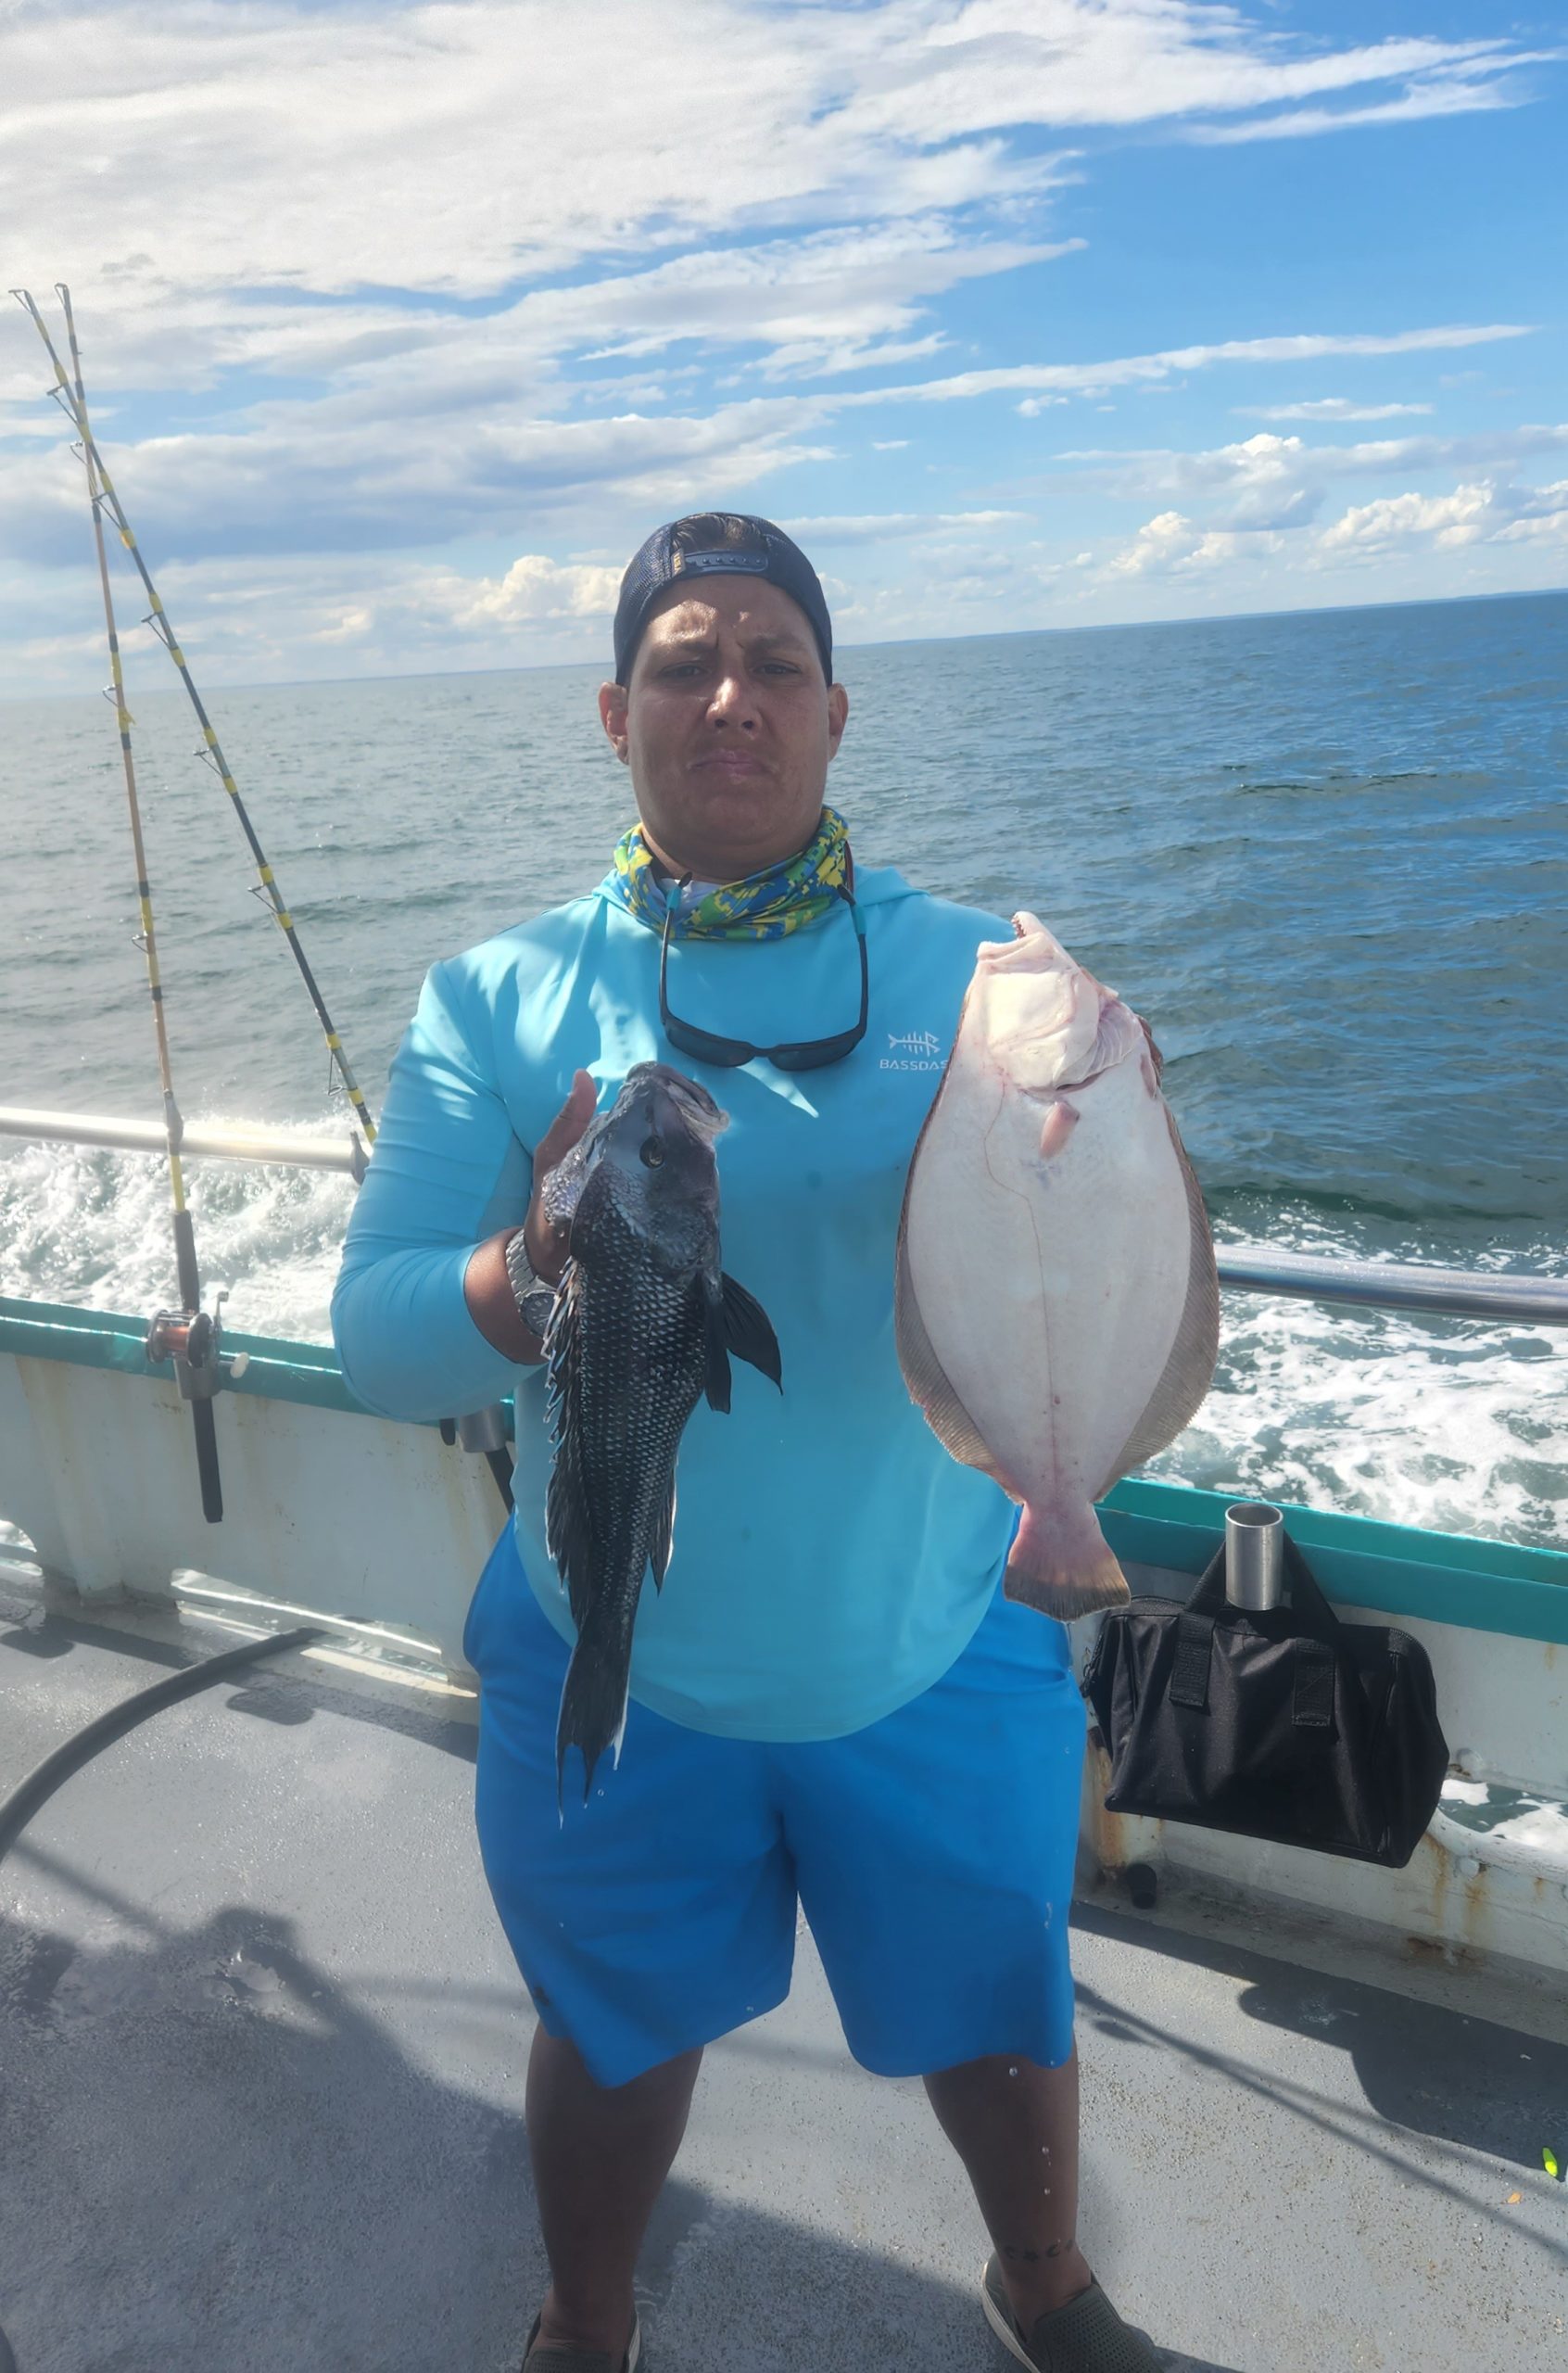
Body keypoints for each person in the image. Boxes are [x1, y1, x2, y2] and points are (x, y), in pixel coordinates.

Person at [331, 512, 1160, 2373]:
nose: (733, 696)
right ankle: (589, 2320)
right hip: (614, 1637)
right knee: (614, 2023)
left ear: (838, 710)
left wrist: (1124, 1117)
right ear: (613, 709)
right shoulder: (495, 993)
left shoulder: (980, 975)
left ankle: (1047, 2282)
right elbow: (373, 1340)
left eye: (774, 660)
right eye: (688, 661)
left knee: (1004, 2002)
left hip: (939, 1629)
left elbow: (1106, 1228)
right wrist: (524, 1257)